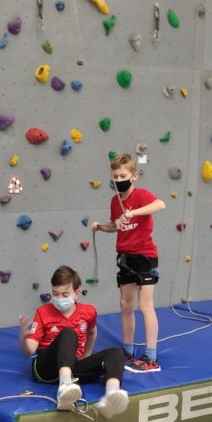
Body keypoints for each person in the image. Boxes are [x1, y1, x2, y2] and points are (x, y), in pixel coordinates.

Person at [18, 266, 129, 418]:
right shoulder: (42, 312)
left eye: (65, 295)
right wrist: (23, 339)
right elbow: (29, 351)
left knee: (116, 352)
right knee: (68, 333)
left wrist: (86, 355)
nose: (59, 299)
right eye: (55, 294)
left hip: (72, 366)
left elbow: (92, 332)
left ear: (76, 293)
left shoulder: (88, 311)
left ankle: (111, 395)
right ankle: (64, 387)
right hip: (46, 369)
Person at [91, 153, 166, 372]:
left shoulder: (141, 195)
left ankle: (151, 357)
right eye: (115, 176)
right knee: (125, 305)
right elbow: (117, 225)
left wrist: (134, 213)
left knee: (145, 305)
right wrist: (101, 227)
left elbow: (160, 205)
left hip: (144, 257)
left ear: (133, 176)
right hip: (125, 258)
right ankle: (128, 349)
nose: (118, 180)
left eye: (122, 176)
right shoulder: (115, 201)